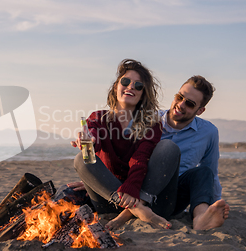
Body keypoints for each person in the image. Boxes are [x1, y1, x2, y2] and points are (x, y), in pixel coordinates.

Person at [68, 59, 181, 230]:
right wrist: (90, 140)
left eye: (138, 86)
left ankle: (132, 211)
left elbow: (140, 157)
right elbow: (94, 134)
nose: (130, 87)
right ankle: (137, 210)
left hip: (150, 200)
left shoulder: (152, 123)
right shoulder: (98, 118)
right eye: (126, 82)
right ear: (116, 87)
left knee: (169, 148)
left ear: (143, 94)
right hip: (110, 201)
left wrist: (132, 189)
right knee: (81, 158)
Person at [161, 75, 230, 230]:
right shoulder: (150, 121)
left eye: (190, 104)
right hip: (147, 188)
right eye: (179, 97)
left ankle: (201, 218)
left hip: (175, 198)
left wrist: (217, 203)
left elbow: (211, 172)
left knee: (203, 172)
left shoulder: (208, 132)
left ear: (200, 110)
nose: (181, 105)